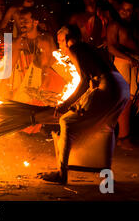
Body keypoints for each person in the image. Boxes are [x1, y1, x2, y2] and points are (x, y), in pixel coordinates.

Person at [38, 25, 130, 184]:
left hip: (108, 86)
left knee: (66, 121)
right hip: (122, 87)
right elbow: (92, 82)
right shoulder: (89, 48)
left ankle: (62, 173)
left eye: (60, 42)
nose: (60, 46)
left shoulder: (75, 49)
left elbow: (84, 83)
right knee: (106, 128)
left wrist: (66, 104)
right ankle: (105, 175)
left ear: (67, 40)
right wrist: (80, 102)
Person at [107, 0, 139, 149]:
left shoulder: (132, 26)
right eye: (123, 9)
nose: (125, 12)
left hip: (133, 64)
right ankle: (123, 138)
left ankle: (123, 137)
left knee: (130, 100)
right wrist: (128, 58)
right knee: (125, 101)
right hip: (122, 63)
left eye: (129, 10)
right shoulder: (114, 25)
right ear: (119, 9)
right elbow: (111, 48)